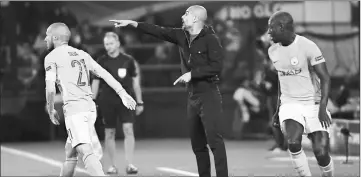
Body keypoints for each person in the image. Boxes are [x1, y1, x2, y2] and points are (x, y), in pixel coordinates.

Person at [110, 5, 228, 177]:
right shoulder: (181, 35)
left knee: (215, 141)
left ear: (195, 18)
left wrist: (192, 74)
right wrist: (133, 23)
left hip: (209, 94)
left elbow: (217, 66)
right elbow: (158, 31)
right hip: (192, 97)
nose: (182, 16)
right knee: (197, 145)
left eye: (186, 14)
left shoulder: (211, 39)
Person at [43, 22, 136, 177]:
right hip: (90, 109)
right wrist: (122, 92)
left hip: (75, 111)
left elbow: (50, 87)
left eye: (47, 35)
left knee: (85, 151)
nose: (45, 39)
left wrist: (51, 108)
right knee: (70, 153)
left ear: (55, 37)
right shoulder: (81, 54)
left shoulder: (51, 57)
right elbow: (104, 74)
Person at [268, 11, 334, 176]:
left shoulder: (308, 46)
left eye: (271, 28)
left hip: (313, 104)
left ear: (282, 27)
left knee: (321, 153)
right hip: (290, 104)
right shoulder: (272, 51)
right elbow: (281, 80)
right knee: (293, 142)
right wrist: (278, 109)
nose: (269, 32)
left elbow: (325, 78)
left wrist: (322, 108)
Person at [91, 32, 144, 175]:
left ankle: (130, 164)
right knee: (109, 132)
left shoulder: (128, 60)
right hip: (107, 101)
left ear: (118, 43)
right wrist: (92, 101)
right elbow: (95, 82)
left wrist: (139, 102)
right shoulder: (101, 61)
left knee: (128, 129)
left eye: (111, 43)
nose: (108, 47)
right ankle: (113, 165)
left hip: (126, 101)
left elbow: (135, 83)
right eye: (106, 44)